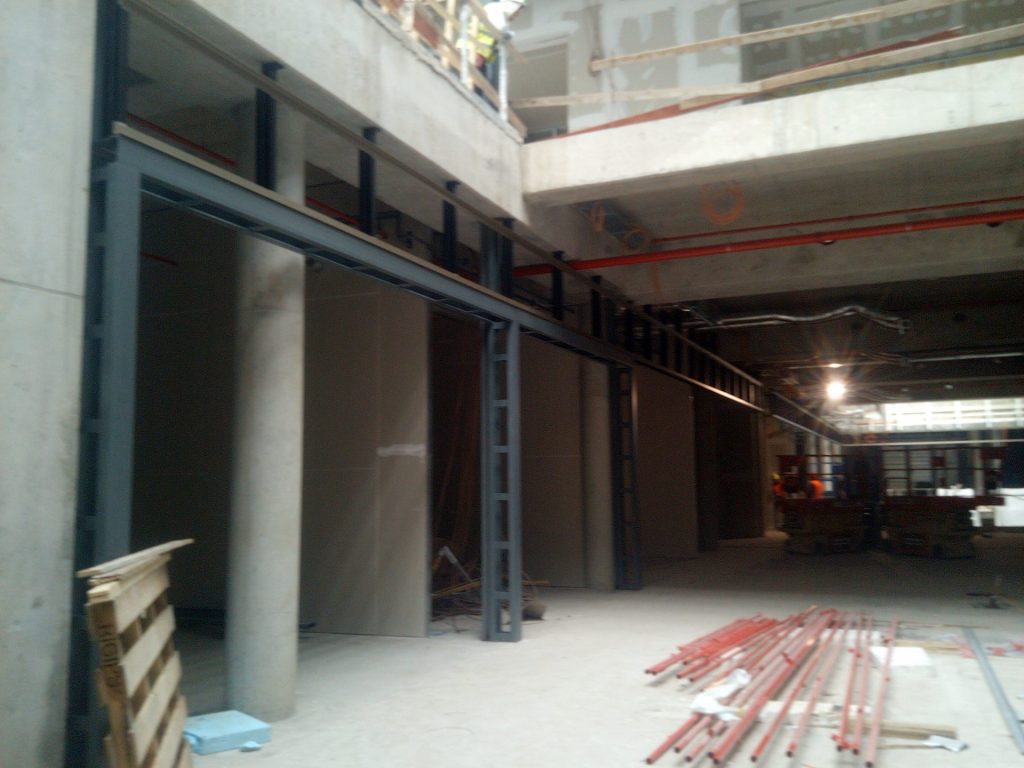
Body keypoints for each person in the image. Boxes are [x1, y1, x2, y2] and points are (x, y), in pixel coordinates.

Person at [475, 0, 526, 88]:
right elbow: (497, 29)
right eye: (518, 10)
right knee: (476, 83)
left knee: (481, 85)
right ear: (512, 5)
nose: (519, 14)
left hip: (481, 53)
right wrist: (505, 36)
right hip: (474, 50)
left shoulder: (503, 17)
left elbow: (496, 41)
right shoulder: (495, 9)